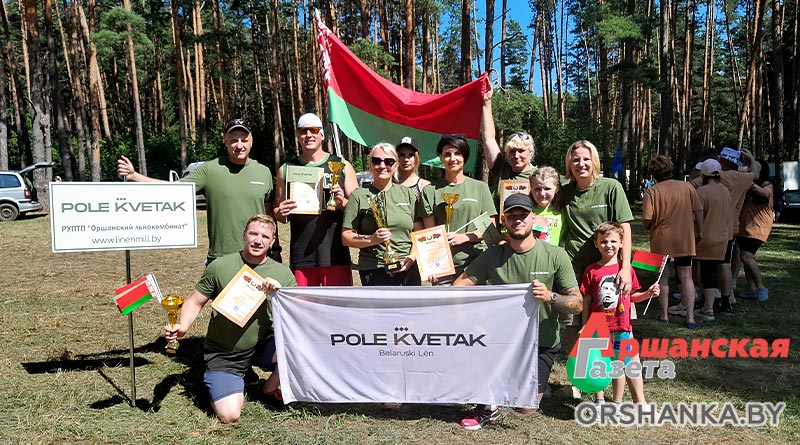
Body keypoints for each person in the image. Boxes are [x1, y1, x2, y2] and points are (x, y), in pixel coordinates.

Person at [452, 193, 582, 429]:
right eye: (512, 216)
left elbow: (577, 303)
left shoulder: (555, 255)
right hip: (500, 342)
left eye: (523, 215)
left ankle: (542, 387)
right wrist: (471, 322)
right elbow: (459, 286)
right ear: (504, 221)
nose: (518, 220)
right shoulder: (493, 254)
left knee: (526, 408)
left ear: (533, 218)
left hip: (540, 342)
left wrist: (551, 297)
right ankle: (492, 397)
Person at [163, 214, 296, 423]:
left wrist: (278, 295)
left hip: (262, 344)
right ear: (244, 235)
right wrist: (183, 325)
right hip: (226, 353)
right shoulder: (220, 266)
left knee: (296, 348)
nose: (257, 240)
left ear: (272, 241)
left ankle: (267, 388)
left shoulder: (283, 273)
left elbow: (296, 315)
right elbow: (195, 302)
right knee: (229, 415)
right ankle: (223, 378)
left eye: (264, 236)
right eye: (253, 233)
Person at [117, 118, 279, 264]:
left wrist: (276, 249)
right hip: (222, 258)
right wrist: (135, 176)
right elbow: (175, 190)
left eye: (244, 140)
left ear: (251, 141)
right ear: (225, 141)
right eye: (233, 140)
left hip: (260, 257)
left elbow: (269, 215)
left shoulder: (263, 172)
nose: (239, 145)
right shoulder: (210, 170)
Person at [560, 140, 634, 358]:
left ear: (594, 161)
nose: (581, 164)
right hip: (574, 267)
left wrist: (625, 267)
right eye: (575, 160)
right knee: (574, 321)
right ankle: (577, 373)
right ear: (569, 164)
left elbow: (625, 228)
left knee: (612, 321)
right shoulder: (564, 193)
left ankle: (609, 370)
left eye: (585, 159)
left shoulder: (611, 187)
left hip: (608, 269)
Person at [274, 113, 359, 286]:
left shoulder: (341, 165)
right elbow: (278, 213)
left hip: (335, 255)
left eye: (313, 130)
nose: (309, 135)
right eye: (303, 131)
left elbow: (358, 209)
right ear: (298, 136)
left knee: (338, 310)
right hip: (302, 256)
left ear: (322, 134)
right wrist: (281, 212)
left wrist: (342, 202)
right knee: (304, 311)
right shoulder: (286, 169)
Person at [580, 222, 659, 405]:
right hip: (597, 326)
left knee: (619, 367)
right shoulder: (591, 270)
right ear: (596, 244)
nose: (609, 245)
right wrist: (584, 324)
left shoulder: (627, 270)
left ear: (622, 243)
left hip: (621, 325)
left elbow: (632, 297)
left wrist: (648, 294)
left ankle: (616, 403)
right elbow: (587, 300)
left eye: (614, 241)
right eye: (604, 241)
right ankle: (599, 400)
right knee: (597, 365)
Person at [690, 147, 760, 314]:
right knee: (725, 264)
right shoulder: (739, 178)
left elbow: (689, 190)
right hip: (728, 229)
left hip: (706, 229)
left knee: (704, 266)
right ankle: (728, 299)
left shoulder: (705, 181)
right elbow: (756, 173)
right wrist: (751, 158)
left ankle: (704, 299)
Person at [342, 142, 424, 285]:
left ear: (396, 165)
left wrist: (412, 257)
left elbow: (419, 232)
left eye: (389, 161)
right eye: (376, 161)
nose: (382, 166)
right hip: (374, 268)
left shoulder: (408, 195)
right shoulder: (359, 196)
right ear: (370, 165)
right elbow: (346, 237)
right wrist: (371, 239)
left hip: (407, 267)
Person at [421, 134, 496, 285]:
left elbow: (491, 228)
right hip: (444, 267)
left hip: (476, 264)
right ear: (441, 158)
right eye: (447, 154)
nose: (452, 158)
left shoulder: (480, 188)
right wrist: (432, 266)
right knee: (444, 308)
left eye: (457, 153)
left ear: (465, 157)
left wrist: (466, 237)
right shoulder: (430, 191)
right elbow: (430, 234)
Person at [641, 155, 703, 328]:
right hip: (684, 237)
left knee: (662, 277)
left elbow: (647, 219)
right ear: (671, 168)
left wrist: (650, 225)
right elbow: (698, 211)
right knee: (686, 276)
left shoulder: (652, 191)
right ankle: (690, 317)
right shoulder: (687, 187)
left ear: (653, 173)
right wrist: (700, 231)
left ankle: (664, 315)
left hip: (661, 239)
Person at [481, 84, 536, 211]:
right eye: (512, 151)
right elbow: (488, 138)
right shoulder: (501, 169)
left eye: (521, 151)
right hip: (500, 229)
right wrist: (486, 102)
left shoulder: (539, 175)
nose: (516, 156)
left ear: (531, 152)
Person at [694, 159, 732, 321]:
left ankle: (708, 309)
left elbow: (697, 216)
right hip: (723, 237)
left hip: (706, 238)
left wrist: (699, 232)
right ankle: (725, 302)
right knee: (719, 269)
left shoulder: (702, 192)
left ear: (703, 174)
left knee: (707, 272)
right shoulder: (725, 191)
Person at [732, 159, 773, 302]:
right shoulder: (748, 188)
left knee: (746, 257)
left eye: (755, 167)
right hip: (745, 227)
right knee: (748, 258)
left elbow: (765, 195)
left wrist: (749, 182)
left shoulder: (766, 184)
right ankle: (752, 289)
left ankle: (761, 287)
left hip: (757, 227)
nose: (750, 168)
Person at [529, 166, 563, 246]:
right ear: (531, 188)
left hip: (553, 256)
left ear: (556, 189)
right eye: (537, 189)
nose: (542, 193)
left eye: (547, 189)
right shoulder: (526, 212)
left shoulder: (563, 212)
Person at [394, 136, 430, 201]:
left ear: (416, 158)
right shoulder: (389, 183)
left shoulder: (424, 186)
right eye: (402, 155)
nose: (406, 159)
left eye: (411, 155)